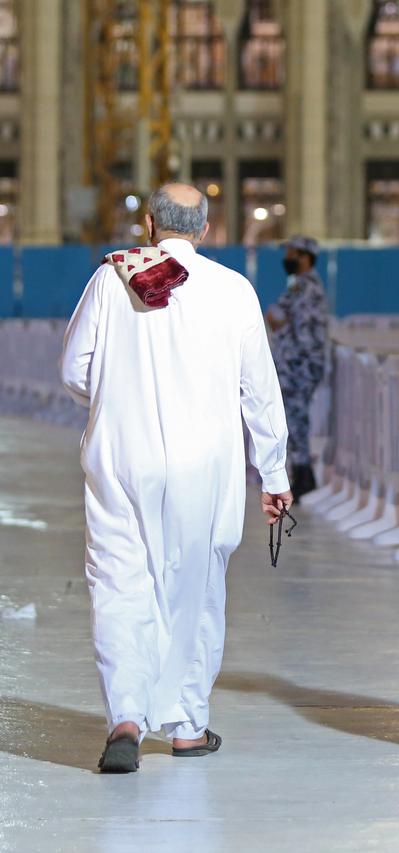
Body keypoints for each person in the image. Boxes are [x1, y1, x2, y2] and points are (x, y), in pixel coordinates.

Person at [60, 183, 292, 773]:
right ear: (205, 228)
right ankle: (188, 726)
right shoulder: (234, 289)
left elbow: (74, 369)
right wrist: (273, 472)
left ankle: (127, 719)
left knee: (119, 584)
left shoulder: (113, 278)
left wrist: (119, 399)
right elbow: (259, 391)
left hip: (119, 457)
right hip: (203, 465)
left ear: (149, 227)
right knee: (194, 588)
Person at [266, 235, 328, 501]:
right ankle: (302, 474)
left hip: (298, 364)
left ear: (305, 257)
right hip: (297, 363)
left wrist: (278, 320)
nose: (287, 258)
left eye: (292, 253)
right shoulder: (300, 285)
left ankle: (304, 476)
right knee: (295, 419)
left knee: (296, 419)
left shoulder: (305, 287)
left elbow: (279, 319)